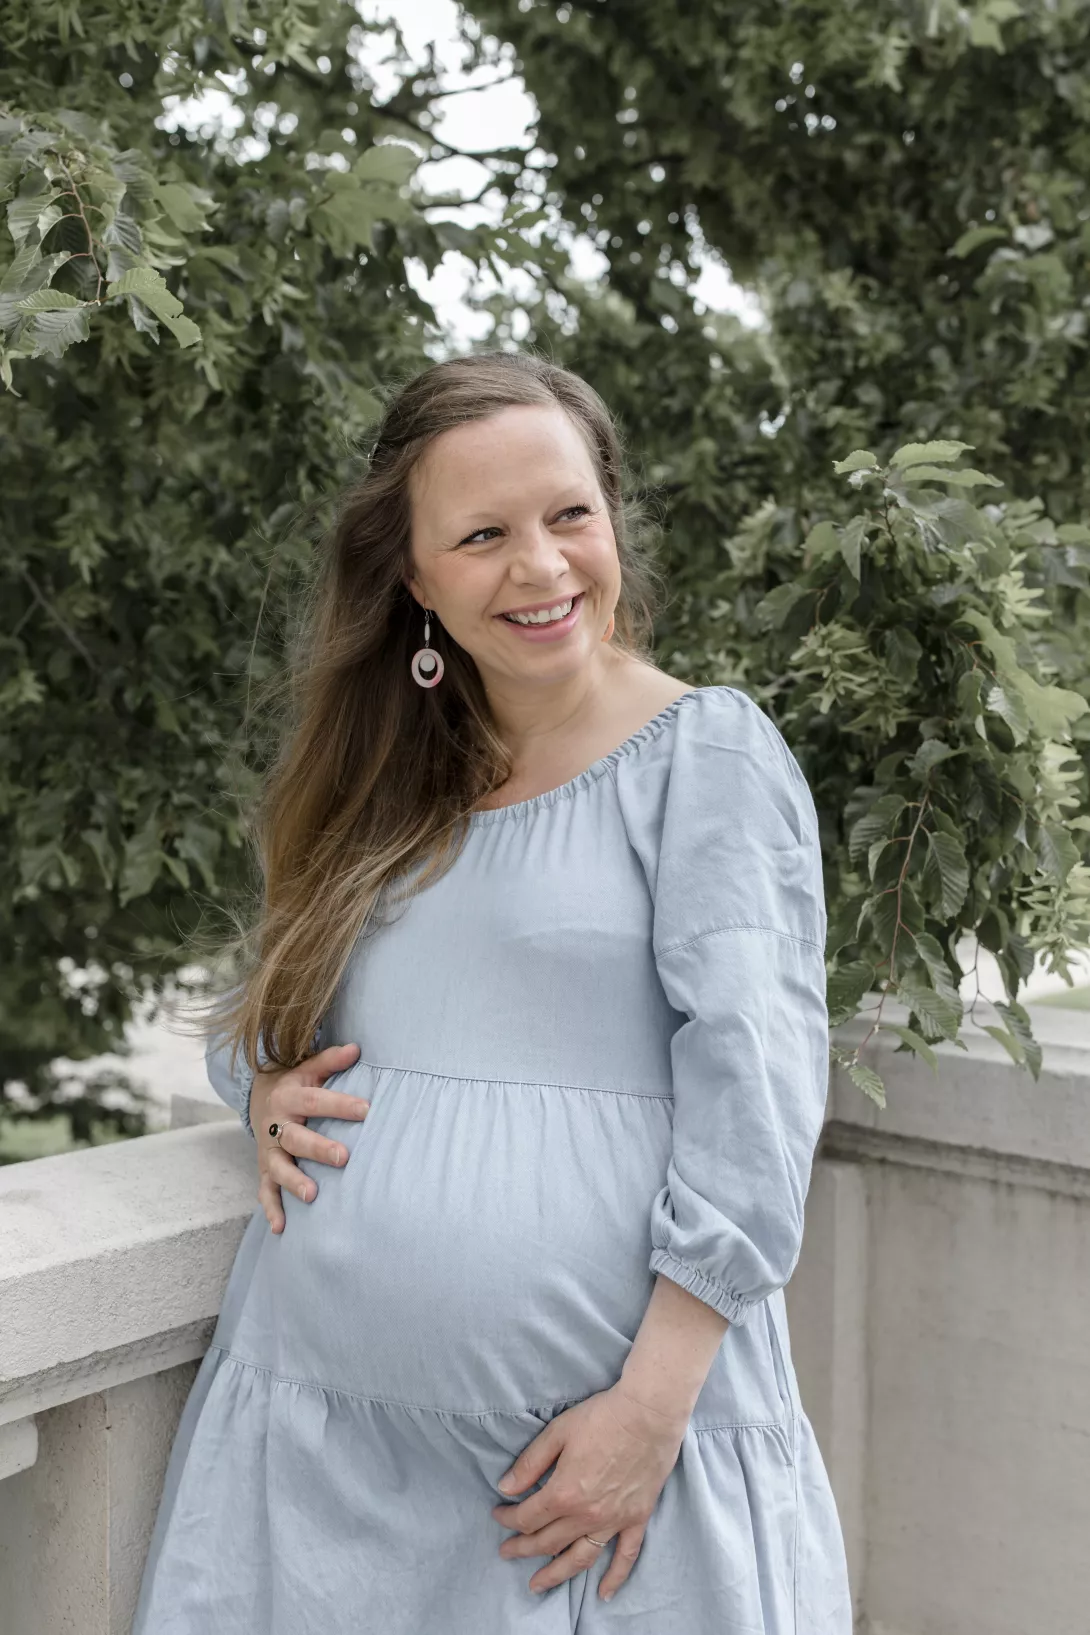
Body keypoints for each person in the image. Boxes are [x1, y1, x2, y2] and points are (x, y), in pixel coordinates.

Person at [133, 350, 852, 1633]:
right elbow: (267, 1017)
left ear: (612, 516)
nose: (541, 565)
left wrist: (650, 1414)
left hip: (587, 1481)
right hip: (318, 1457)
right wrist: (259, 1094)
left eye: (569, 514)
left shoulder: (705, 759)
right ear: (412, 577)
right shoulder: (380, 783)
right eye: (482, 535)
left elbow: (760, 1097)